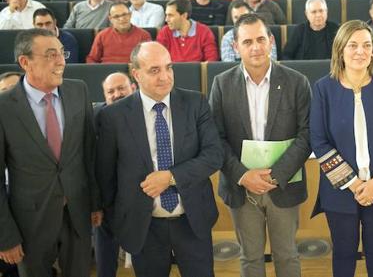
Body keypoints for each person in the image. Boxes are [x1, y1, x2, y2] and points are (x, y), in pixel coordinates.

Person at [96, 41, 223, 277]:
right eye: (154, 70)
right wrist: (120, 220)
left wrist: (171, 177)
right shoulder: (113, 116)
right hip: (143, 225)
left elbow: (214, 155)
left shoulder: (195, 103)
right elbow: (106, 175)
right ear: (136, 74)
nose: (165, 76)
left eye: (169, 67)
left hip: (192, 220)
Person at [209, 14, 311, 277]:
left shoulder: (297, 81)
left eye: (260, 39)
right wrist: (243, 175)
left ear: (271, 41)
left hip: (283, 184)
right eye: (247, 41)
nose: (255, 47)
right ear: (236, 46)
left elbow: (308, 134)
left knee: (287, 256)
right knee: (250, 259)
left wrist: (276, 175)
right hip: (241, 186)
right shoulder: (221, 84)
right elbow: (215, 138)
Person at [0, 28, 101, 276]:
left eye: (61, 53)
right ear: (25, 62)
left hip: (78, 214)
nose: (61, 61)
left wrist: (95, 203)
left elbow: (90, 154)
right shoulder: (4, 107)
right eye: (50, 54)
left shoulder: (79, 91)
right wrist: (5, 235)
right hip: (29, 223)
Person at [310, 19, 373, 277]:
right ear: (340, 49)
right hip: (340, 191)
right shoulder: (323, 89)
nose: (360, 51)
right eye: (353, 45)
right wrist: (353, 183)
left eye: (366, 45)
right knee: (343, 254)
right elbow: (319, 141)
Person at [92, 72, 135, 277]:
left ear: (133, 88)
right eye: (111, 91)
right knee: (105, 263)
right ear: (104, 96)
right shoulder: (94, 117)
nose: (117, 94)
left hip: (142, 195)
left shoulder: (150, 112)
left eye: (121, 88)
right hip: (107, 199)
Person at [86, 2, 151, 64]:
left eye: (124, 14)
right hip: (107, 73)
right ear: (110, 19)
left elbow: (148, 60)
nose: (122, 19)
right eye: (116, 16)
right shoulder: (102, 36)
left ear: (130, 15)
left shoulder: (144, 35)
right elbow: (92, 59)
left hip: (134, 72)